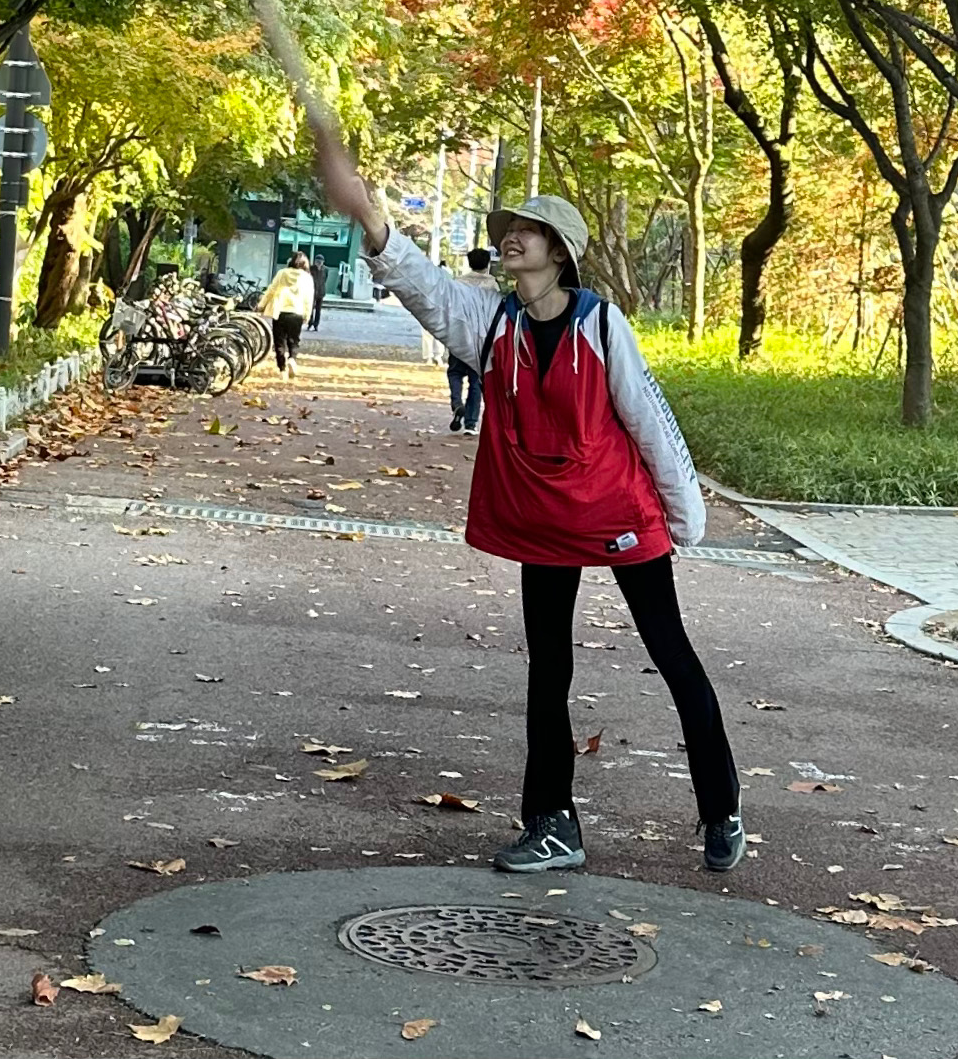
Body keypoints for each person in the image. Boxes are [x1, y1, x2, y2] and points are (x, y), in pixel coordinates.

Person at [318, 141, 744, 878]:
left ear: (559, 251)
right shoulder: (492, 324)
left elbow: (649, 419)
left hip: (617, 511)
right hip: (542, 521)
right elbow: (424, 288)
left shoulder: (600, 325)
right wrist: (372, 218)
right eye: (509, 228)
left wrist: (684, 518)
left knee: (672, 654)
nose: (511, 237)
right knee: (548, 670)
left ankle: (721, 808)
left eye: (528, 230)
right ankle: (552, 824)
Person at [447, 248, 490, 433]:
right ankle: (471, 423)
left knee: (455, 372)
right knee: (475, 380)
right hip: (480, 338)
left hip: (459, 334)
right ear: (487, 264)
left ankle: (457, 403)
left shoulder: (458, 283)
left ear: (469, 263)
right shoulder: (492, 285)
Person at [259, 249, 314, 375]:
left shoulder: (282, 273)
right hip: (297, 312)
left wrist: (261, 305)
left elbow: (271, 290)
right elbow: (309, 298)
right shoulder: (307, 278)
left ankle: (282, 369)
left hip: (280, 311)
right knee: (294, 340)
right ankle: (292, 359)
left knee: (279, 341)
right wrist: (307, 314)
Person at [308, 252, 328, 334]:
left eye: (320, 261)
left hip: (321, 291)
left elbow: (325, 279)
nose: (319, 263)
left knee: (318, 309)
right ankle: (310, 323)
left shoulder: (325, 269)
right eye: (317, 261)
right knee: (310, 309)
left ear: (323, 262)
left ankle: (316, 325)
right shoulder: (311, 268)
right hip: (312, 291)